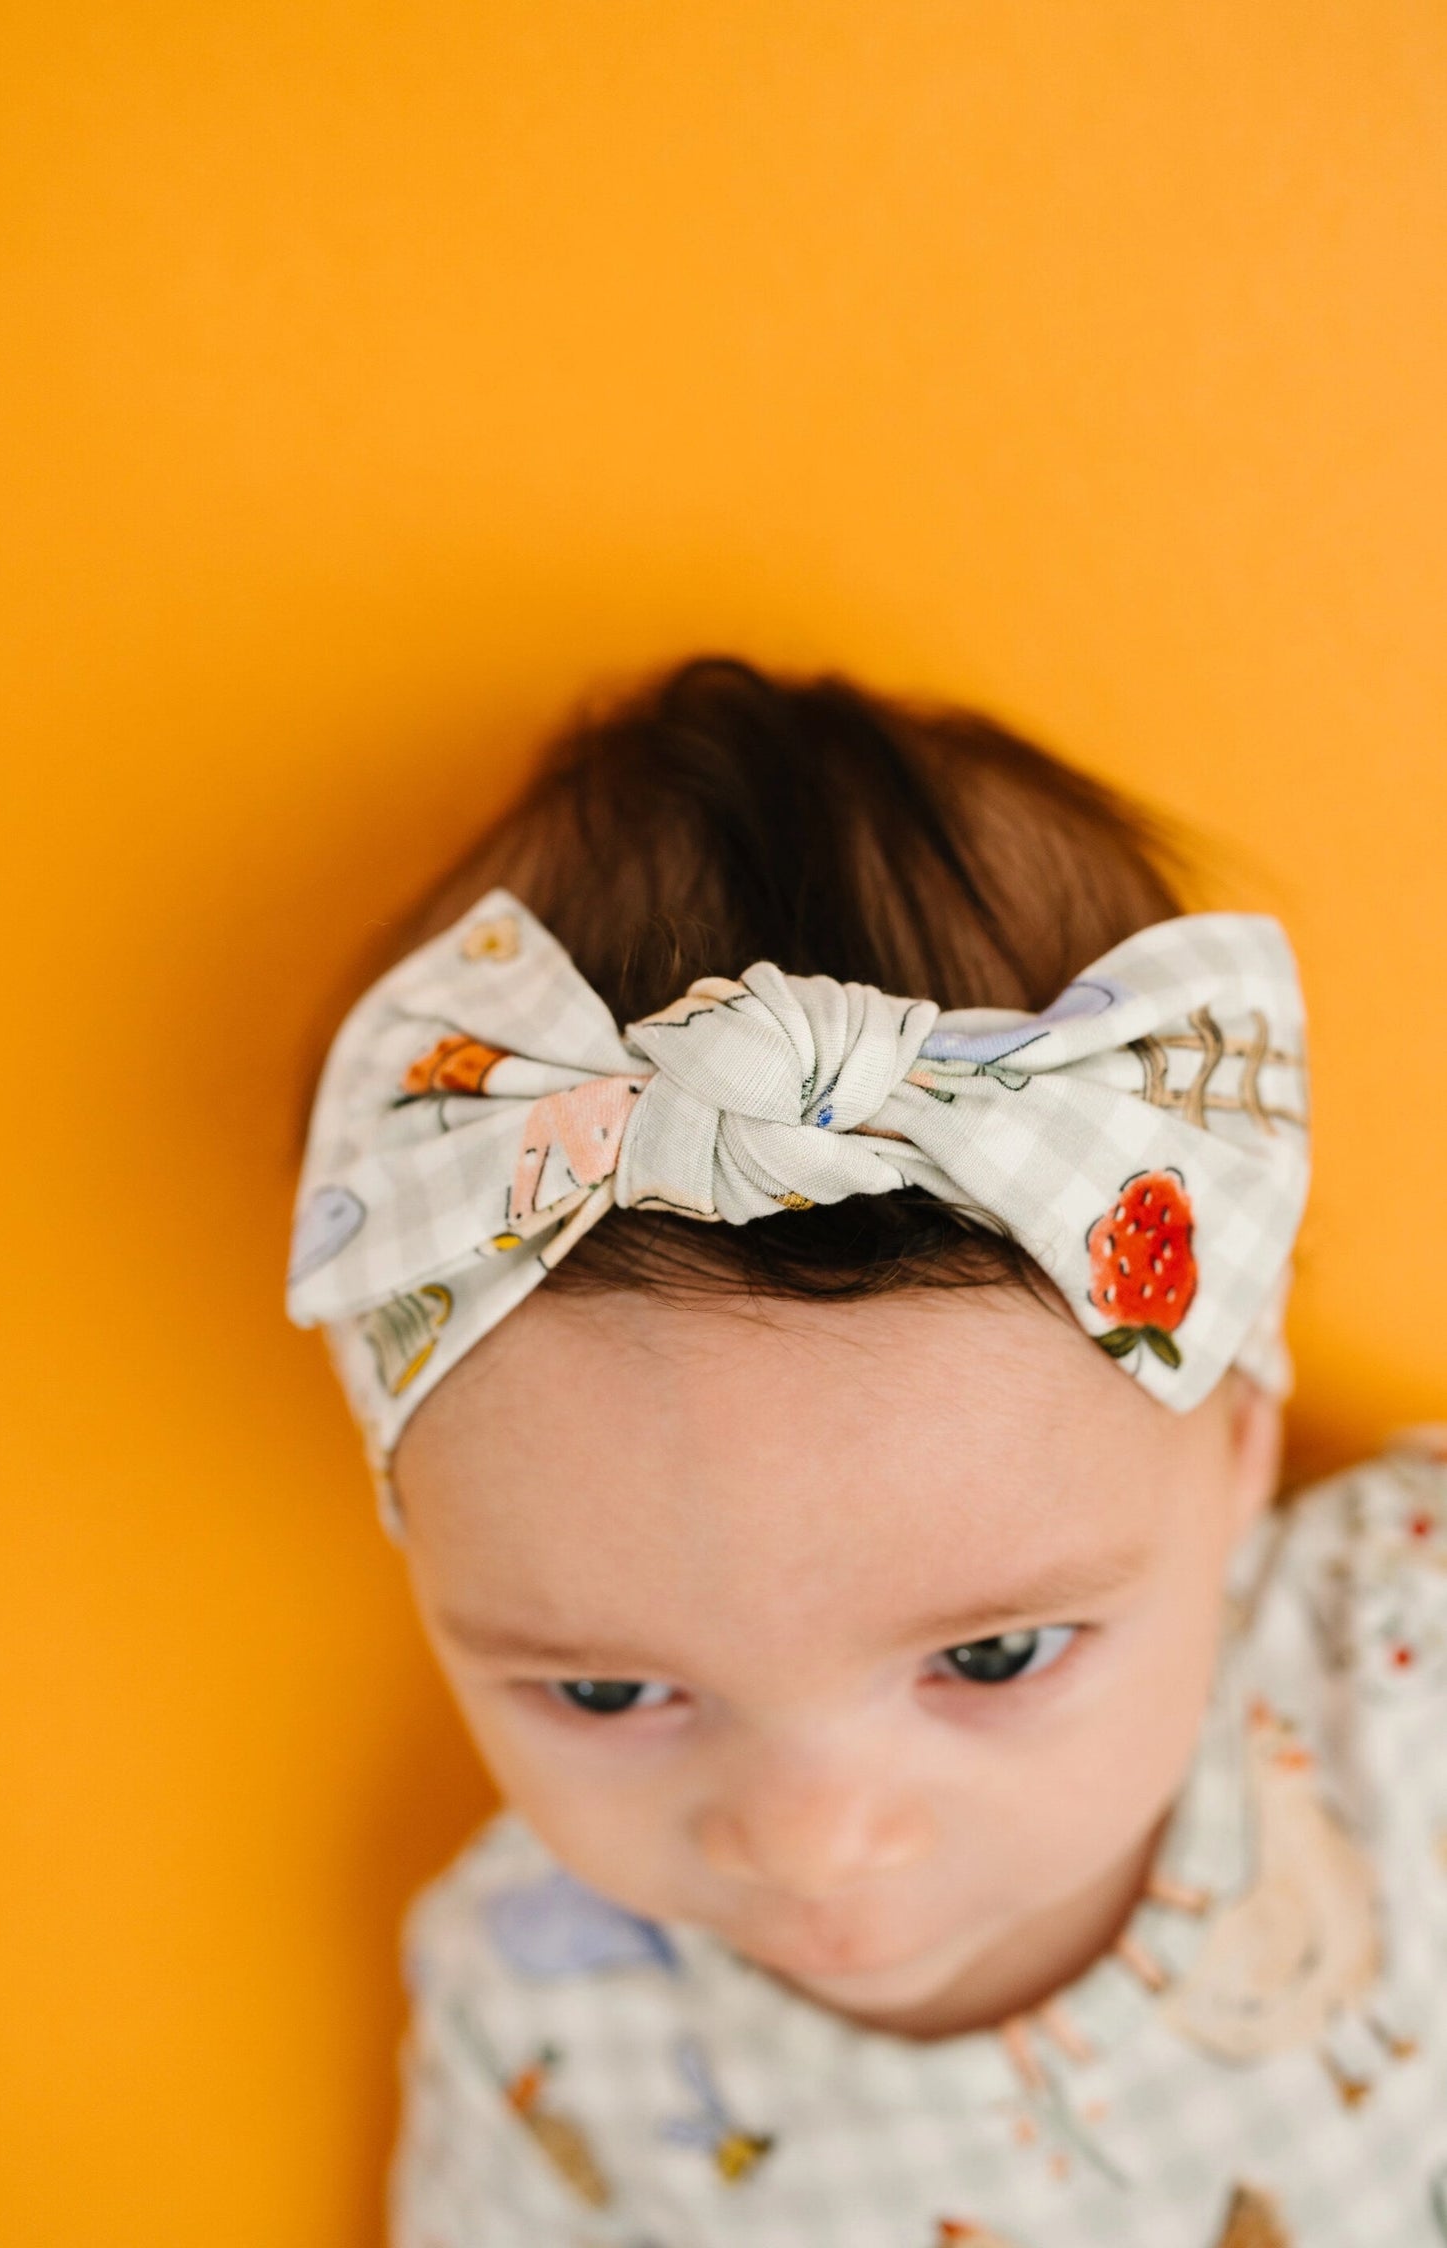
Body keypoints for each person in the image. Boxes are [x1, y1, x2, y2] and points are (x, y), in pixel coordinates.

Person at [285, 657, 1447, 2248]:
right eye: (607, 1692)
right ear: (416, 1534)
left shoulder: (1408, 1662)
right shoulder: (547, 2015)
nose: (812, 1838)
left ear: (1241, 1442)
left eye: (997, 1654)